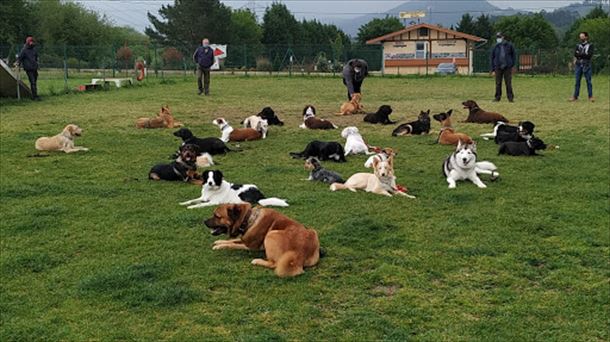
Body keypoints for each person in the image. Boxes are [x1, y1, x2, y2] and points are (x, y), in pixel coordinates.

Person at [490, 32, 516, 102]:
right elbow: (492, 58)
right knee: (498, 83)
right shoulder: (495, 46)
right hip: (498, 67)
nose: (498, 38)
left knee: (508, 83)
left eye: (499, 37)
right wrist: (492, 69)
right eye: (497, 37)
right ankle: (497, 97)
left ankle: (510, 98)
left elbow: (513, 56)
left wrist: (513, 66)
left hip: (507, 67)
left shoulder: (509, 45)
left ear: (503, 37)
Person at [569, 32, 594, 102]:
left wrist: (580, 54)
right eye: (580, 37)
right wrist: (583, 54)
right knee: (577, 81)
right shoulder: (578, 45)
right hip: (578, 65)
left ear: (586, 37)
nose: (581, 38)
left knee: (588, 81)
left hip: (587, 65)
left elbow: (589, 55)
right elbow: (575, 54)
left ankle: (590, 96)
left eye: (582, 37)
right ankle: (575, 96)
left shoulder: (590, 45)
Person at [16, 36, 40, 101]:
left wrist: (37, 64)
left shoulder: (34, 50)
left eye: (32, 41)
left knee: (34, 82)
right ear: (28, 42)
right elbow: (20, 58)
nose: (32, 43)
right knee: (33, 82)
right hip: (28, 69)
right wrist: (18, 63)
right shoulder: (24, 50)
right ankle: (34, 97)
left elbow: (36, 57)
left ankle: (34, 95)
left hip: (34, 68)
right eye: (30, 41)